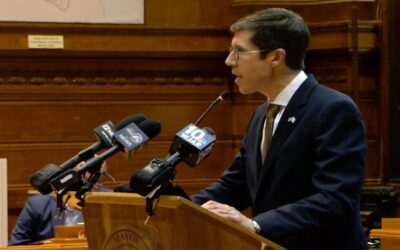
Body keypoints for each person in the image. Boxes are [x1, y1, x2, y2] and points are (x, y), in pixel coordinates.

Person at [190, 8, 368, 250]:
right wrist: (182, 208)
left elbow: (335, 199)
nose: (229, 61)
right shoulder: (260, 114)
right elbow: (236, 186)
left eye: (239, 52)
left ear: (275, 57)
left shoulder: (333, 109)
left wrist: (255, 225)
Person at [9, 160, 112, 245]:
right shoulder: (38, 205)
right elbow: (16, 245)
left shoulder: (112, 202)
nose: (92, 185)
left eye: (98, 179)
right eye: (86, 179)